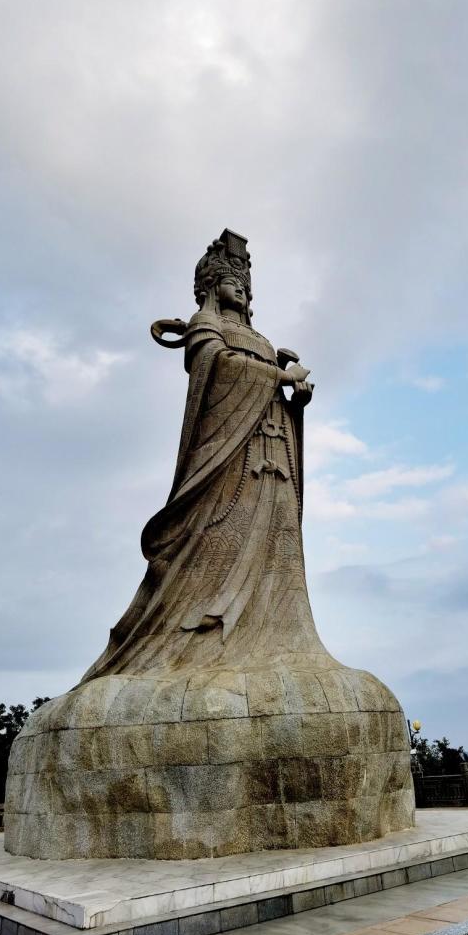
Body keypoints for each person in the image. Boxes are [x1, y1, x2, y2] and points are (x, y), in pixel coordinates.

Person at [80, 229, 328, 680]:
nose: (243, 288)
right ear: (211, 285)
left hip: (271, 455)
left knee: (281, 552)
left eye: (247, 283)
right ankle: (192, 643)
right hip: (228, 461)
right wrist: (277, 377)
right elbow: (220, 368)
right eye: (233, 279)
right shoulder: (206, 326)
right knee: (214, 542)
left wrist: (295, 397)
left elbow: (274, 389)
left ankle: (282, 643)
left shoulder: (261, 338)